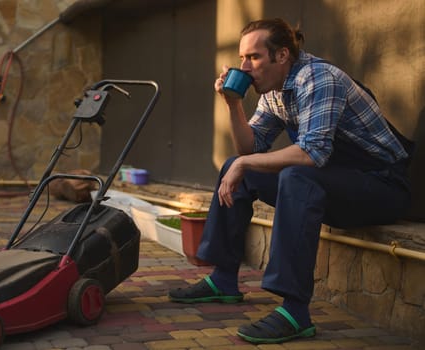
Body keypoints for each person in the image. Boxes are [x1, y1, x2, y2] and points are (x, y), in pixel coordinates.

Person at [168, 18, 412, 344]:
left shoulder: (320, 79)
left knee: (295, 175)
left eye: (253, 57)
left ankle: (295, 312)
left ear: (282, 55)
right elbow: (249, 148)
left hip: (382, 186)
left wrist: (245, 162)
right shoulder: (275, 91)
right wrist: (234, 105)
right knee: (236, 167)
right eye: (242, 58)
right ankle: (223, 279)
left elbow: (312, 154)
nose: (244, 66)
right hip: (338, 182)